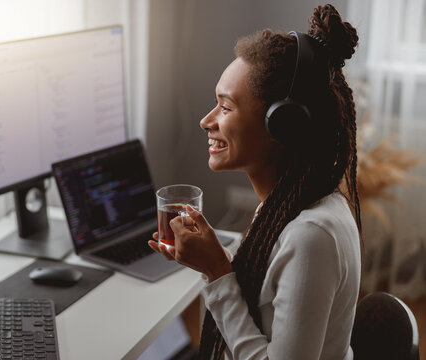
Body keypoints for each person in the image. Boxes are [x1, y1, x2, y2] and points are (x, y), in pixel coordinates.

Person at [148, 4, 361, 360]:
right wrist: (214, 259)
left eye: (226, 107)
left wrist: (217, 272)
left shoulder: (312, 236)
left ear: (283, 126)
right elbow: (270, 298)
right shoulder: (288, 203)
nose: (206, 120)